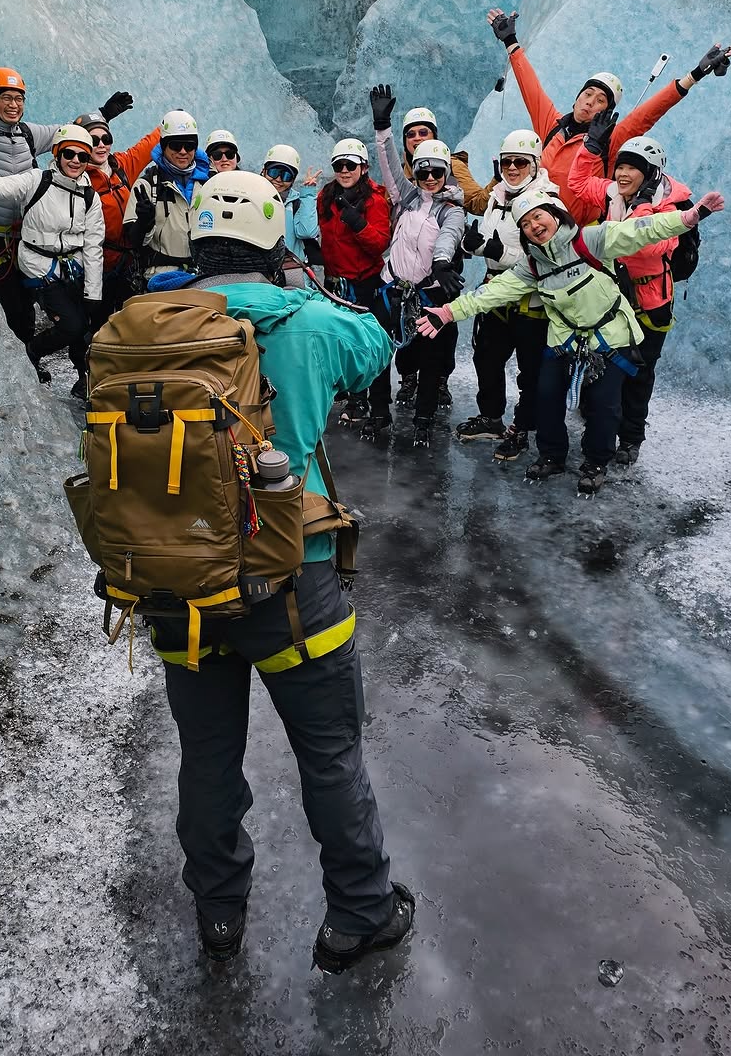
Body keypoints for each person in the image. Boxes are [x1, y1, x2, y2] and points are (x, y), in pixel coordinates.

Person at [144, 171, 414, 972]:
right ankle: (361, 913)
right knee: (329, 753)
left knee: (207, 754)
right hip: (291, 579)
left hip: (178, 586)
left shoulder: (143, 324)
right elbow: (376, 346)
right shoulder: (307, 321)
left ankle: (219, 913)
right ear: (273, 238)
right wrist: (298, 279)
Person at [416, 187, 726, 494]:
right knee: (546, 396)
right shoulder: (532, 265)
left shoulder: (589, 241)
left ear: (554, 214)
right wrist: (447, 312)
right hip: (565, 340)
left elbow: (640, 231)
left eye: (538, 217)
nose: (534, 226)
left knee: (604, 406)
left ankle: (595, 463)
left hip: (609, 339)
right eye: (525, 224)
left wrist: (688, 218)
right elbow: (493, 292)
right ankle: (551, 455)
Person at [487, 8, 731, 213]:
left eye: (600, 100)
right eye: (587, 94)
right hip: (538, 232)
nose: (590, 102)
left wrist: (694, 75)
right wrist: (511, 42)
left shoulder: (609, 142)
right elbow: (530, 87)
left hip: (581, 243)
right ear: (576, 99)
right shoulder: (552, 127)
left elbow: (648, 114)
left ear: (606, 111)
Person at [0, 67, 130, 344]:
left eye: (19, 99)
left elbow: (69, 134)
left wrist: (102, 115)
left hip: (25, 236)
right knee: (7, 304)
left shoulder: (28, 134)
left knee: (24, 306)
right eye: (6, 98)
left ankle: (26, 360)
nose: (13, 105)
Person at [568, 132, 693, 463]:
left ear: (650, 173)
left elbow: (648, 246)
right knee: (603, 364)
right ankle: (601, 424)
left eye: (632, 168)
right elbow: (578, 183)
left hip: (650, 303)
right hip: (612, 300)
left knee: (639, 373)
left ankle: (631, 437)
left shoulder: (672, 207)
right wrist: (590, 149)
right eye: (620, 167)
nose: (622, 174)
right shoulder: (615, 194)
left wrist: (641, 210)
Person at [454, 129, 558, 461]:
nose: (512, 168)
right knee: (486, 356)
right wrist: (476, 245)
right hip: (495, 294)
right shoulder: (497, 195)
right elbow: (491, 241)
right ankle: (491, 418)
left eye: (520, 162)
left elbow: (547, 258)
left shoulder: (547, 201)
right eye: (506, 162)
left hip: (532, 301)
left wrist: (497, 251)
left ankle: (522, 428)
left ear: (535, 163)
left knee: (531, 370)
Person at [371, 85, 465, 447]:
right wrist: (382, 127)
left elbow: (450, 234)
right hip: (391, 289)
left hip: (427, 296)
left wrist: (442, 261)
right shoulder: (407, 197)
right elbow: (390, 164)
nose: (428, 178)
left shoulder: (451, 209)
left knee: (430, 361)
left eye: (435, 172)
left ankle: (423, 421)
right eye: (423, 171)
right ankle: (380, 413)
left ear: (445, 171)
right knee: (382, 354)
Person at [0, 124, 106, 396]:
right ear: (57, 154)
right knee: (71, 325)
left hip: (72, 268)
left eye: (82, 156)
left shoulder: (90, 197)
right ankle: (32, 351)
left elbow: (93, 247)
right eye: (69, 154)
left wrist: (93, 293)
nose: (75, 161)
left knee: (86, 323)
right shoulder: (36, 181)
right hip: (39, 267)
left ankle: (82, 377)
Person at [316, 139, 392, 425]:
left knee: (372, 343)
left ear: (363, 167)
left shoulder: (373, 199)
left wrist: (357, 224)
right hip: (336, 282)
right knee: (343, 343)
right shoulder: (326, 196)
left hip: (365, 283)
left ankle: (380, 406)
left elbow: (380, 243)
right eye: (339, 166)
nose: (345, 171)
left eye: (350, 165)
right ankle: (356, 398)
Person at [73, 108, 161, 316]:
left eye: (106, 138)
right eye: (94, 141)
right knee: (96, 323)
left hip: (129, 264)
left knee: (128, 320)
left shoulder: (121, 164)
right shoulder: (75, 176)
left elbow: (147, 144)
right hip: (97, 267)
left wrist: (172, 122)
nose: (101, 145)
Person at [121, 110, 211, 284]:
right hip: (160, 279)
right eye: (176, 145)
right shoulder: (146, 185)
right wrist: (143, 222)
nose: (183, 151)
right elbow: (134, 241)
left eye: (190, 145)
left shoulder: (208, 184)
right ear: (163, 146)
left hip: (201, 276)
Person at [261, 144, 322, 287]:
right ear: (264, 170)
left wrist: (308, 193)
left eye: (286, 176)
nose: (279, 179)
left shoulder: (295, 202)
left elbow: (306, 231)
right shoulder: (251, 196)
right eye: (274, 172)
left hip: (291, 275)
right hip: (261, 274)